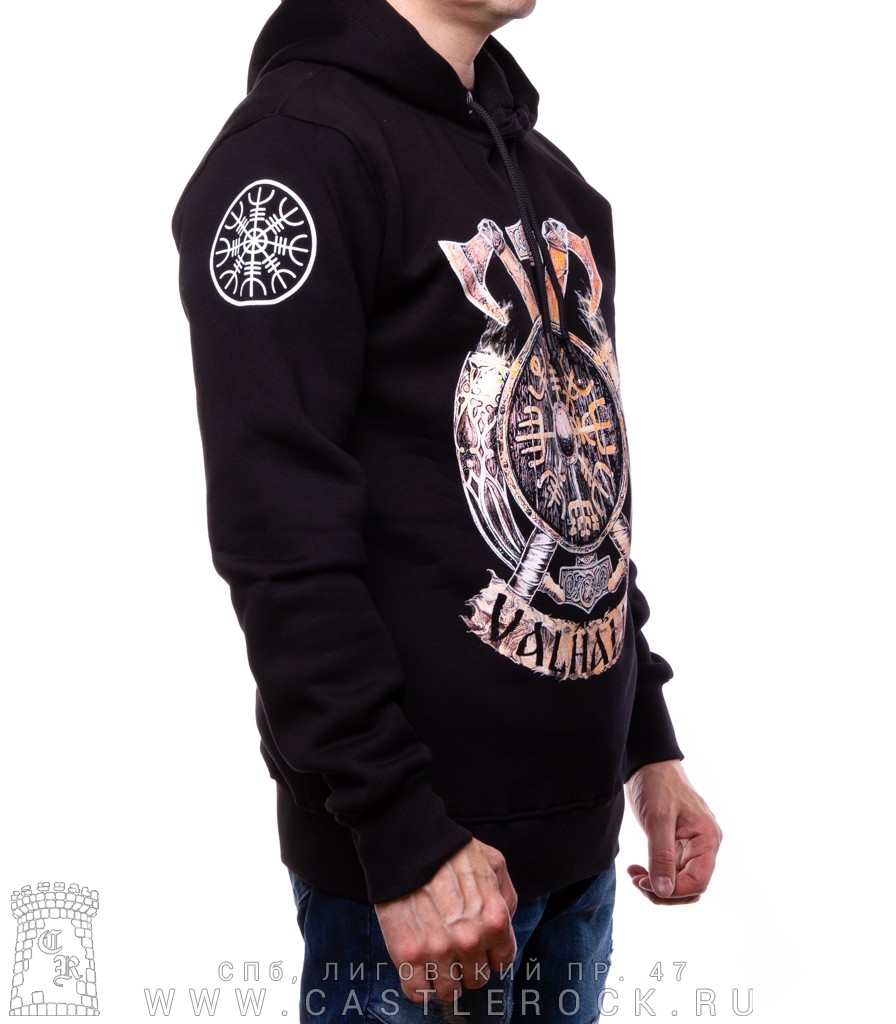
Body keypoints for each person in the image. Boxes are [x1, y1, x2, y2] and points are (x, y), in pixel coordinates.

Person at [172, 0, 722, 1020]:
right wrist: (399, 829)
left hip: (577, 855)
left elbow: (591, 494)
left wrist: (647, 743)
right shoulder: (297, 154)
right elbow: (276, 526)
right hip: (420, 875)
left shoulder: (555, 184)